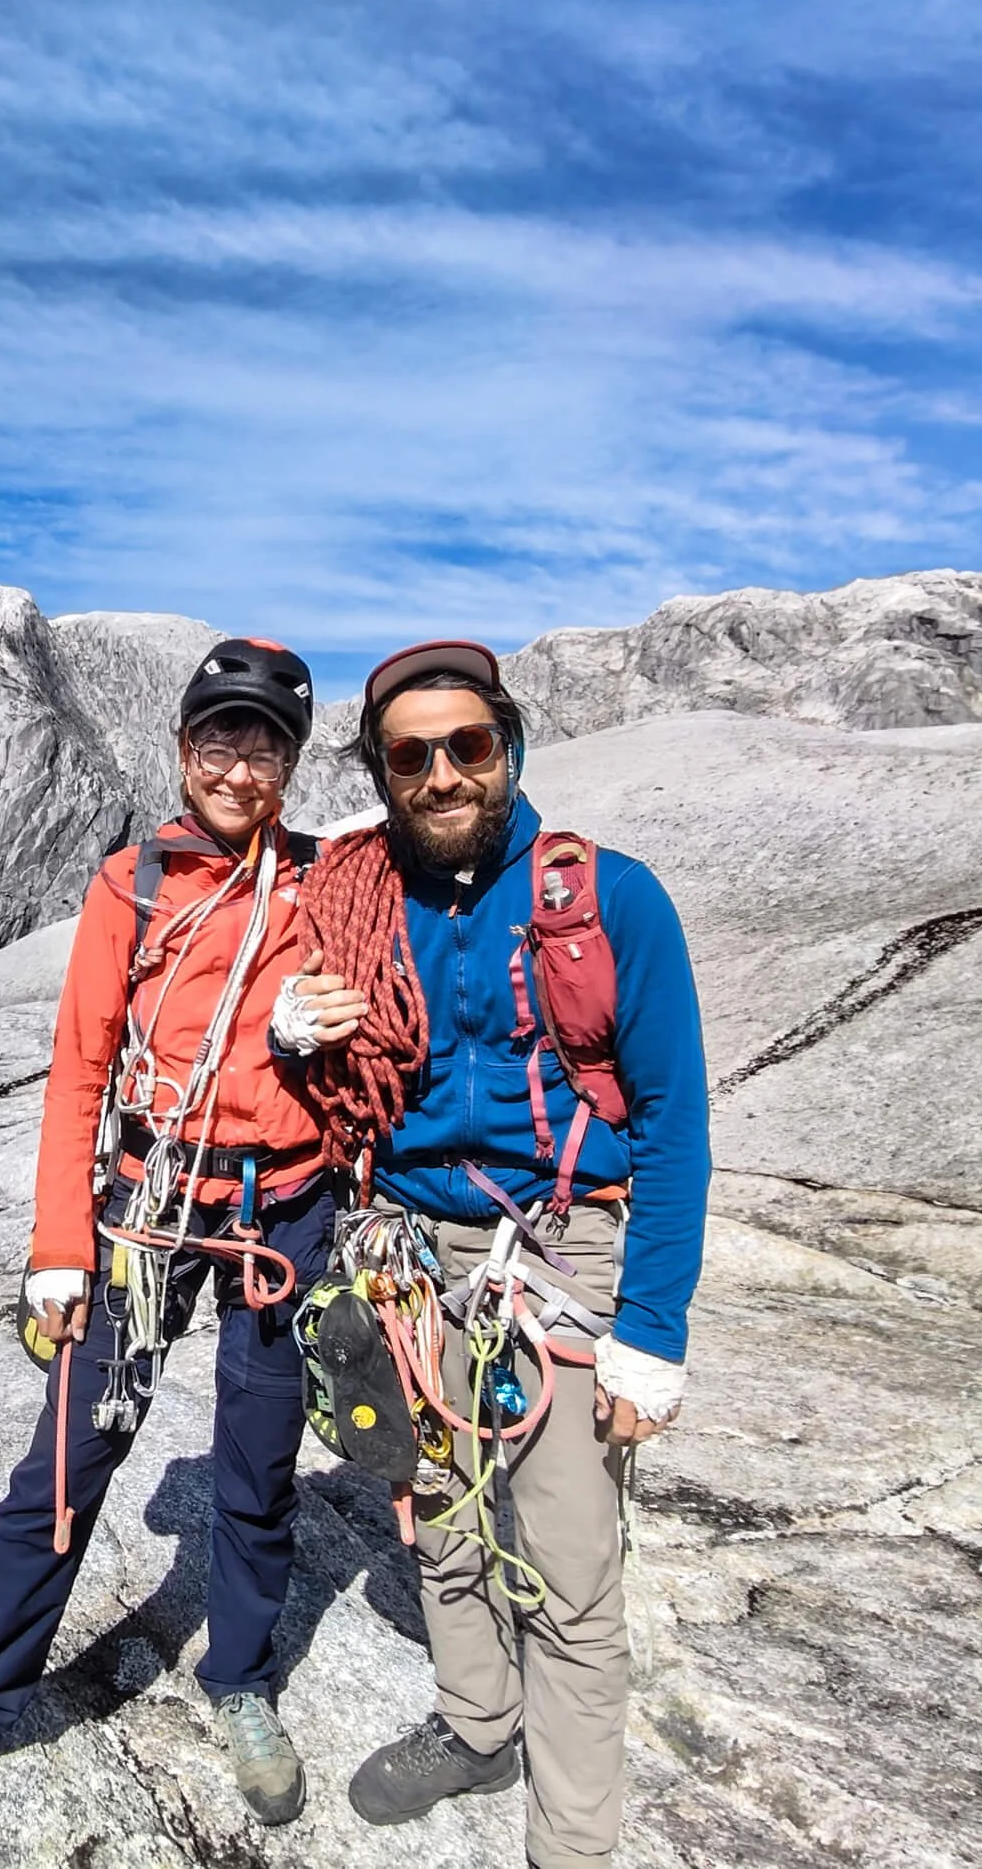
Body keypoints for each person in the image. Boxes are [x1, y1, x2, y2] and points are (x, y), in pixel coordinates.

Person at [0, 639, 359, 1849]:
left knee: (256, 1471)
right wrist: (57, 1244)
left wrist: (325, 1042)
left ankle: (238, 1681)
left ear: (291, 764)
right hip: (151, 1205)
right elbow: (81, 1071)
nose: (238, 767)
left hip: (281, 1213)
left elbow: (395, 1025)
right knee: (66, 1467)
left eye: (263, 746)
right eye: (218, 740)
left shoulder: (336, 886)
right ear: (184, 748)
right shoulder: (131, 886)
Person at [289, 639, 709, 1869]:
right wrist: (285, 1038)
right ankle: (478, 1721)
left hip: (559, 1243)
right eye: (410, 756)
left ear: (509, 750)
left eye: (465, 747)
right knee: (439, 1516)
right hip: (409, 1251)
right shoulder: (348, 897)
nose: (440, 776)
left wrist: (651, 1334)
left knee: (570, 1564)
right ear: (380, 771)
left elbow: (675, 1123)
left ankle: (569, 1845)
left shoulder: (610, 899)